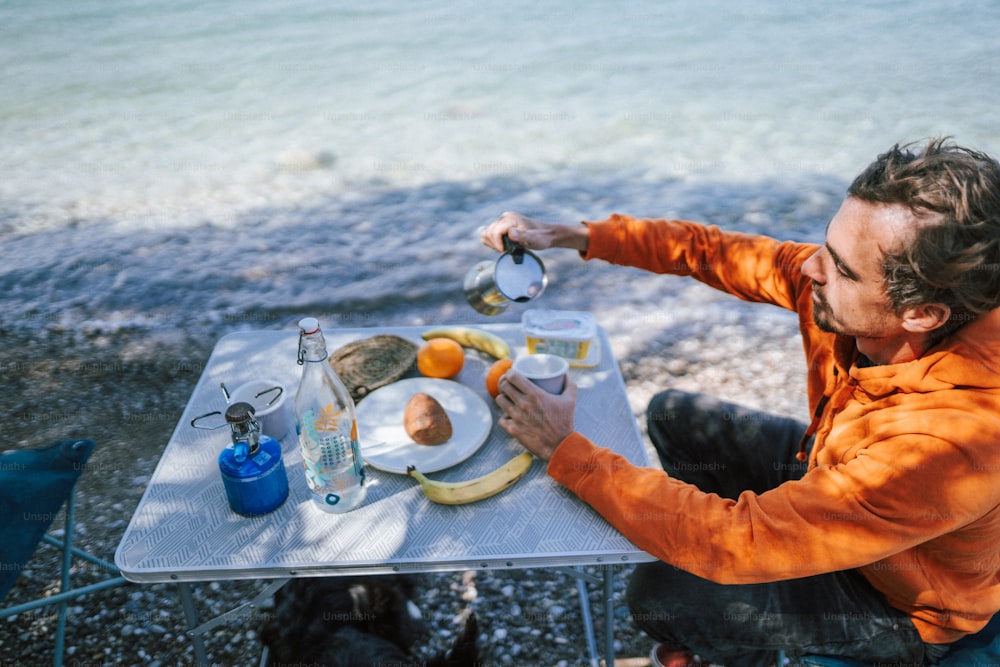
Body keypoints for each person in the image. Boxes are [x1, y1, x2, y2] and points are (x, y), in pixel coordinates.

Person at [482, 138, 1000, 667]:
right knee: (674, 413)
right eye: (825, 245)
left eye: (842, 269)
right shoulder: (852, 299)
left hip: (898, 606)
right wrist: (570, 235)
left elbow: (737, 540)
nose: (811, 268)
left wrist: (566, 449)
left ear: (922, 315)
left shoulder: (948, 441)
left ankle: (745, 653)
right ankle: (732, 609)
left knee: (661, 592)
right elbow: (712, 251)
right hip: (833, 484)